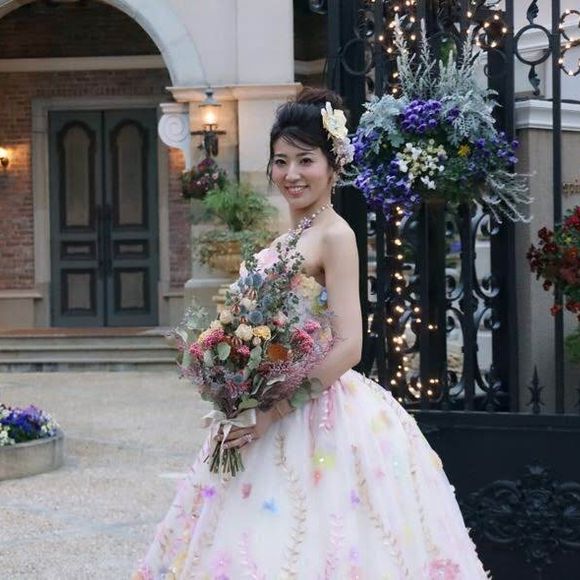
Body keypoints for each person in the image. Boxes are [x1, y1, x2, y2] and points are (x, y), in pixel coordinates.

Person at [133, 88, 490, 579]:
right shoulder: (286, 239)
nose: (291, 174)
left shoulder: (336, 236)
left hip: (316, 414)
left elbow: (350, 345)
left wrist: (273, 410)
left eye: (306, 160)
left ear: (333, 165)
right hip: (262, 405)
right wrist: (234, 378)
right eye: (281, 162)